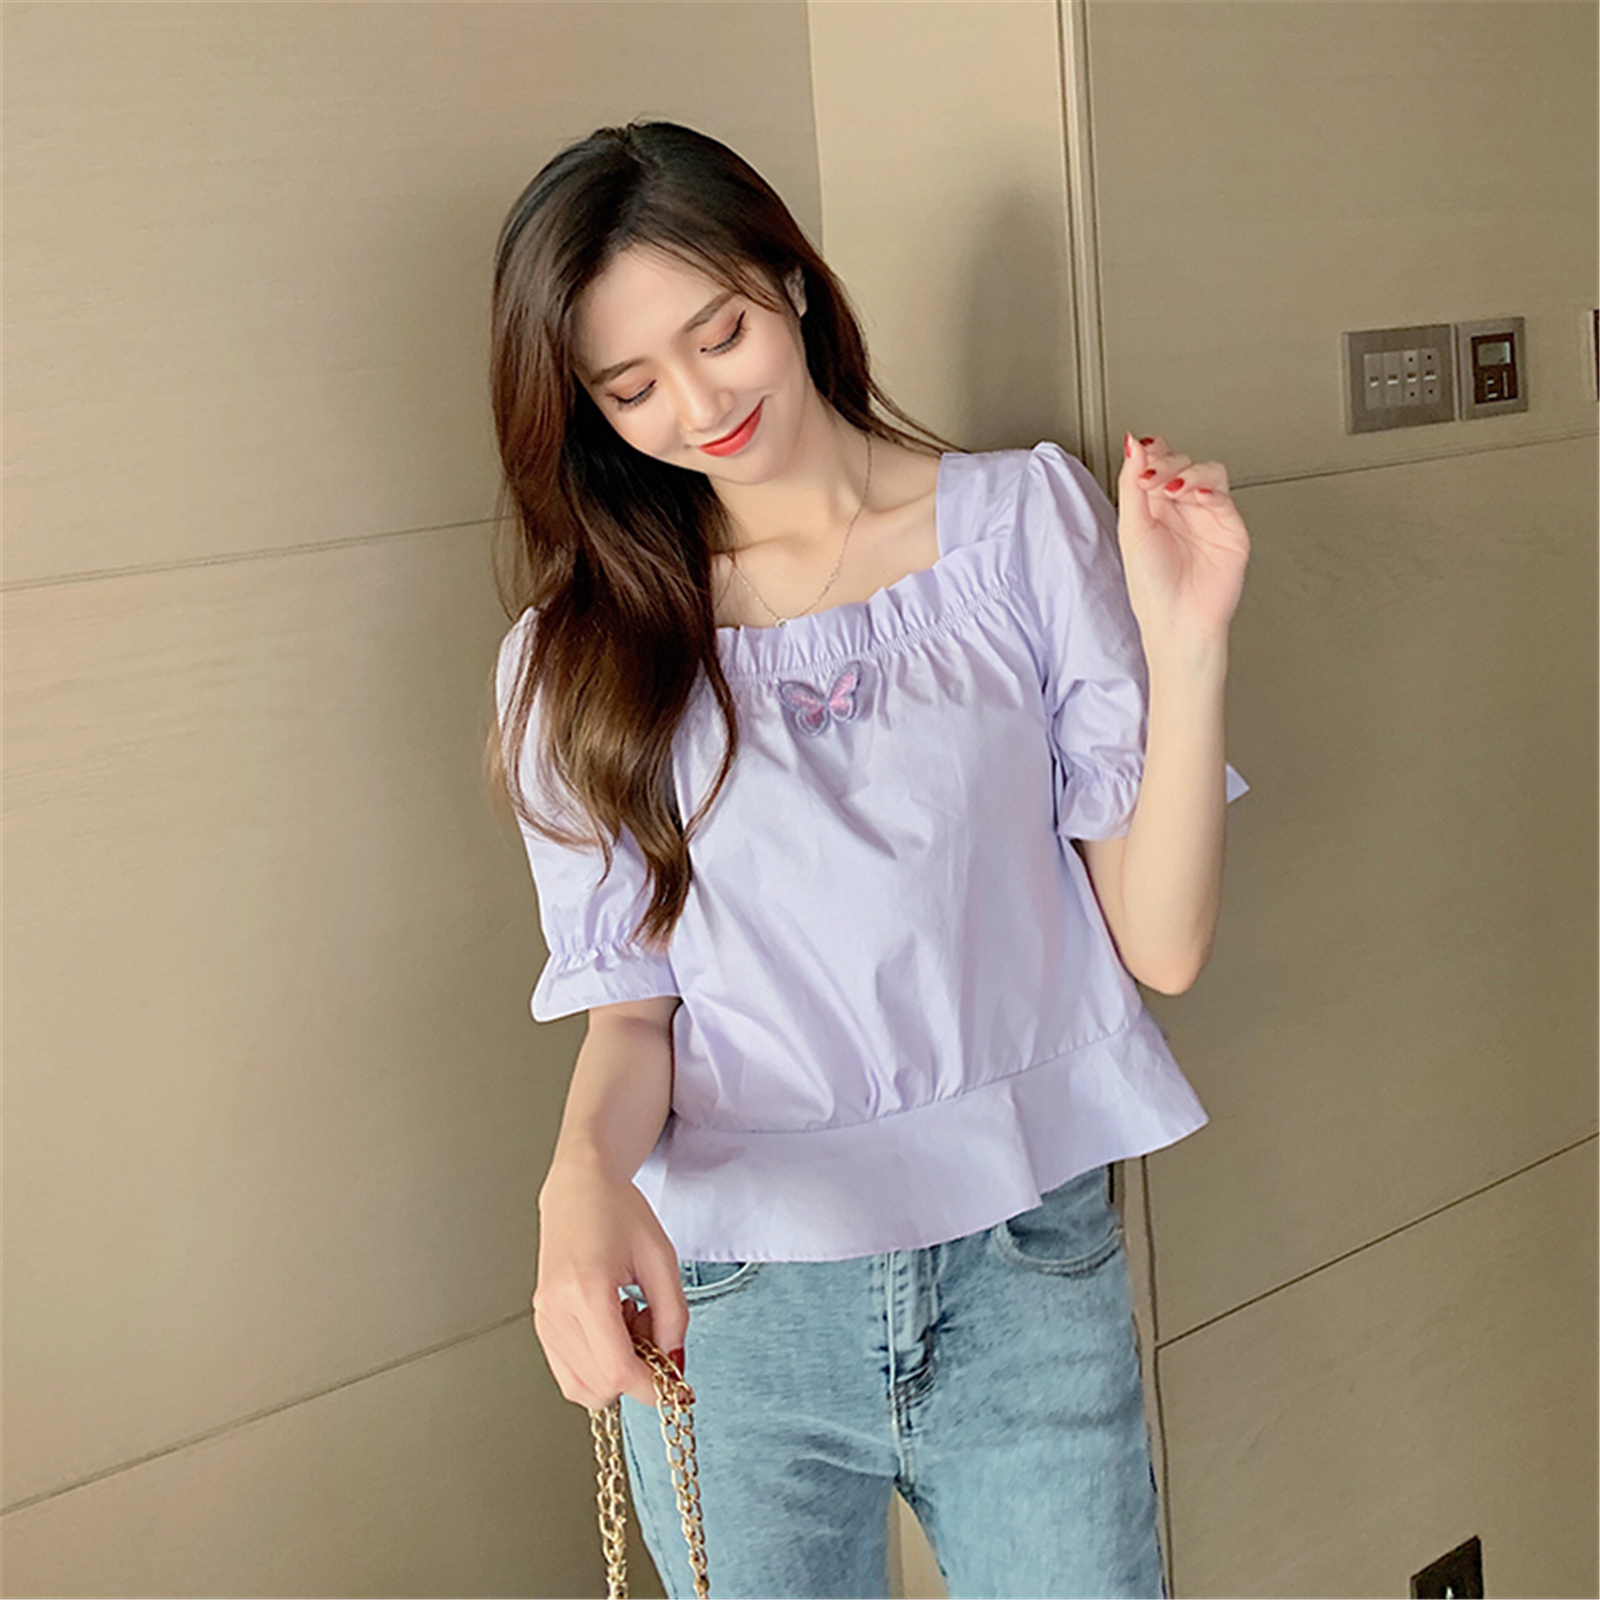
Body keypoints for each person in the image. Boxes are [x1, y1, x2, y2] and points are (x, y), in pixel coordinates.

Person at [485, 118, 1251, 1600]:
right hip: (736, 1307)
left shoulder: (1021, 525)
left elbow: (1160, 946)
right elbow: (632, 1017)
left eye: (720, 333)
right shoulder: (573, 660)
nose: (698, 403)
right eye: (630, 386)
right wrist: (576, 1179)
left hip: (1024, 1271)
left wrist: (1190, 642)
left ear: (789, 280)